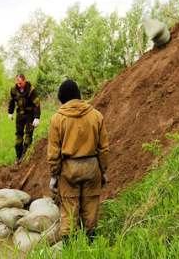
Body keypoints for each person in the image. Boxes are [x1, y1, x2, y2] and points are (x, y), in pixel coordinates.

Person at [47, 79, 110, 243]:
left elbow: (54, 153)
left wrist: (54, 175)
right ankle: (90, 246)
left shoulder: (57, 119)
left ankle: (71, 250)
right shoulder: (96, 115)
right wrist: (103, 171)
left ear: (62, 97)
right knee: (90, 210)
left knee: (69, 211)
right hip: (92, 168)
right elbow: (103, 148)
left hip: (69, 170)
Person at [7, 73, 41, 165]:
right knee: (19, 134)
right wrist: (10, 112)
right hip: (20, 114)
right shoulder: (14, 89)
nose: (19, 85)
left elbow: (37, 104)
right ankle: (18, 156)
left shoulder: (31, 90)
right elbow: (11, 100)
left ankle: (25, 155)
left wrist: (36, 117)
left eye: (21, 83)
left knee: (28, 134)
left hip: (30, 114)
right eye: (18, 83)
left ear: (25, 81)